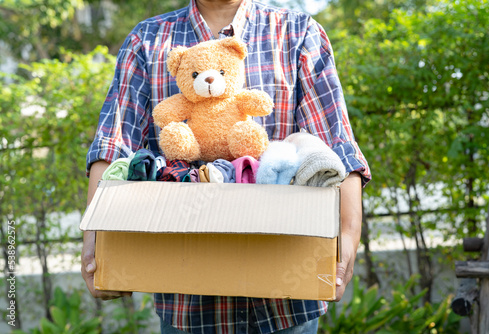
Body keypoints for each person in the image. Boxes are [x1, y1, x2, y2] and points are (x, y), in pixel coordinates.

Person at [82, 0, 371, 333]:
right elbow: (114, 145)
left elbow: (337, 148)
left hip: (288, 297)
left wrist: (347, 239)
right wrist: (94, 242)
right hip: (188, 303)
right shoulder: (147, 41)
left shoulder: (297, 33)